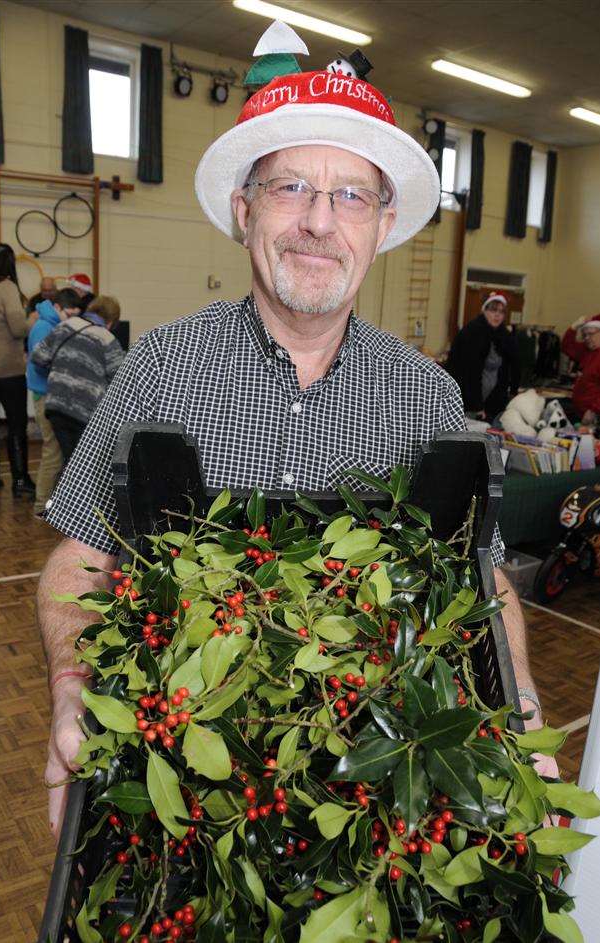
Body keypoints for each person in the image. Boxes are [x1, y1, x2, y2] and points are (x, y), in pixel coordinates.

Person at [36, 22, 555, 837]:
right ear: (244, 213)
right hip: (184, 781)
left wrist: (515, 700)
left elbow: (479, 576)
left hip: (362, 791)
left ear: (381, 226)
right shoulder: (161, 368)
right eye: (289, 189)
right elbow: (79, 556)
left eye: (351, 194)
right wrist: (74, 687)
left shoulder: (425, 397)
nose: (319, 221)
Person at [31, 295, 124, 466]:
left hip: (55, 406)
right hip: (85, 413)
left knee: (67, 461)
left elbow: (37, 356)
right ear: (111, 321)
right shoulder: (108, 340)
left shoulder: (65, 325)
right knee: (81, 467)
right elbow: (120, 381)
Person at [26, 287, 82, 514]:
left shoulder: (53, 324)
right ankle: (41, 507)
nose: (72, 320)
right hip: (46, 395)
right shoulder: (43, 327)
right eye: (69, 315)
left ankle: (52, 503)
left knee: (56, 451)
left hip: (53, 395)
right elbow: (42, 361)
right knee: (52, 451)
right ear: (57, 307)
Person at [0, 242, 35, 496]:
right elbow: (18, 328)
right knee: (16, 426)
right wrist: (32, 319)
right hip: (8, 370)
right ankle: (20, 480)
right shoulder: (7, 288)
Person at [445, 293, 520, 422]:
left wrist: (513, 391)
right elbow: (469, 372)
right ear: (484, 311)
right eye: (493, 310)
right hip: (466, 397)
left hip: (492, 399)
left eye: (501, 312)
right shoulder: (472, 333)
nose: (497, 315)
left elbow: (514, 365)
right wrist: (476, 406)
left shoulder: (505, 336)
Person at [561, 315, 600, 424]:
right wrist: (574, 327)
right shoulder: (588, 351)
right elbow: (567, 346)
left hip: (593, 415)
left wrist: (594, 410)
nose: (587, 338)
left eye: (590, 334)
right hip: (580, 410)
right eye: (585, 335)